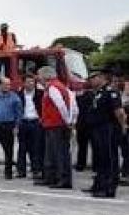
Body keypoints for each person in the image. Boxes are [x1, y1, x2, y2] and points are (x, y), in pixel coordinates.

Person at [83, 70, 128, 198]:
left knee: (108, 158)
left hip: (108, 129)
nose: (91, 81)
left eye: (93, 78)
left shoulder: (111, 92)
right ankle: (99, 184)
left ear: (101, 78)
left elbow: (119, 112)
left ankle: (109, 187)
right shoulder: (97, 93)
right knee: (99, 159)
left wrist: (123, 126)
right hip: (96, 129)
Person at [36, 66, 73, 189]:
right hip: (53, 124)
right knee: (52, 153)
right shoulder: (58, 86)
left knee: (59, 153)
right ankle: (51, 177)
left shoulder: (53, 87)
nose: (38, 78)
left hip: (56, 124)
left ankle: (63, 179)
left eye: (39, 75)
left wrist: (67, 121)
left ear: (46, 76)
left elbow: (61, 106)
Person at [16, 76, 45, 179]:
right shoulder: (18, 95)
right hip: (23, 122)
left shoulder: (40, 94)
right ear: (24, 83)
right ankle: (21, 170)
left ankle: (36, 170)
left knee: (36, 148)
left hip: (36, 122)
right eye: (28, 82)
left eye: (32, 82)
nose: (31, 84)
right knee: (22, 148)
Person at [74, 88, 94, 171]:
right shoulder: (94, 97)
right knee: (95, 146)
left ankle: (80, 164)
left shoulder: (78, 98)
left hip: (81, 124)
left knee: (82, 146)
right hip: (91, 124)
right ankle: (95, 165)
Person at [0, 23, 17, 88]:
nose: (4, 30)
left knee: (8, 74)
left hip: (8, 57)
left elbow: (14, 45)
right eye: (3, 28)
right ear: (0, 29)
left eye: (5, 28)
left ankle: (8, 87)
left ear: (7, 28)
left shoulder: (12, 35)